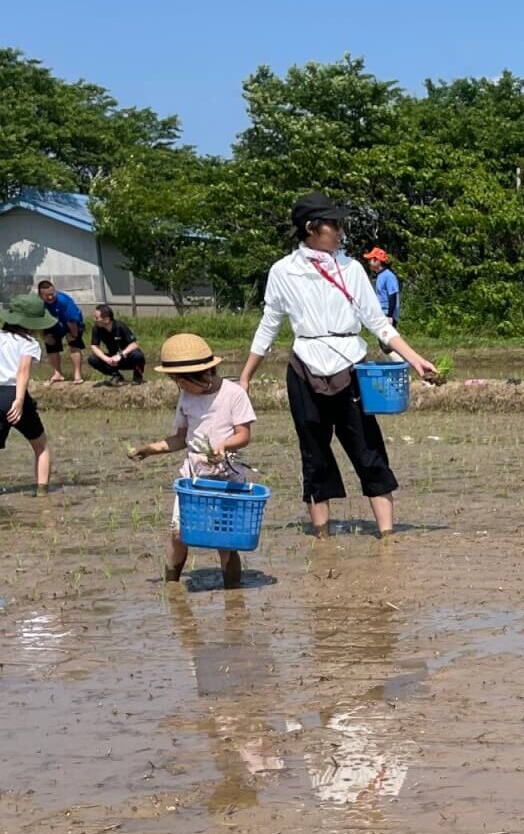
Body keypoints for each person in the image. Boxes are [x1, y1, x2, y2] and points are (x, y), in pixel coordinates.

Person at [237, 192, 437, 539]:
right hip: (304, 367)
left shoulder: (351, 268)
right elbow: (269, 325)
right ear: (312, 228)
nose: (341, 232)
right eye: (336, 225)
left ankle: (387, 535)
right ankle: (322, 537)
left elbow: (378, 322)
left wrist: (414, 358)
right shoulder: (284, 271)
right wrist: (245, 377)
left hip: (351, 365)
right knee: (314, 454)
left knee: (368, 449)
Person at [129, 333, 256, 589]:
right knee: (178, 535)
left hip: (226, 477)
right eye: (177, 382)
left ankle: (233, 594)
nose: (181, 387)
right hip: (193, 478)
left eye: (183, 382)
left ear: (205, 375)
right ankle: (172, 586)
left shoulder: (234, 394)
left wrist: (224, 445)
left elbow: (244, 435)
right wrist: (149, 449)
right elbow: (180, 439)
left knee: (225, 540)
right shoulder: (186, 397)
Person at [0, 294, 54, 495]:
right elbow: (22, 371)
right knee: (41, 446)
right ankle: (42, 493)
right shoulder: (29, 343)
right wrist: (20, 400)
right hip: (13, 394)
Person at [36, 280, 85, 386]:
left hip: (72, 323)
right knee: (50, 343)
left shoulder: (63, 301)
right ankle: (57, 373)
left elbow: (72, 321)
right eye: (46, 295)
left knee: (74, 343)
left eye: (52, 294)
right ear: (40, 295)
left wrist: (73, 335)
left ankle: (77, 375)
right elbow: (37, 322)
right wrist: (44, 337)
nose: (50, 297)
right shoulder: (37, 304)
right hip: (53, 323)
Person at [87, 305, 146, 386]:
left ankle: (137, 376)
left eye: (97, 318)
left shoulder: (120, 326)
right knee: (92, 359)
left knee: (138, 355)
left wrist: (121, 355)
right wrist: (107, 359)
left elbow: (134, 344)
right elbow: (94, 346)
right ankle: (116, 375)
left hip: (127, 358)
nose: (95, 320)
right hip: (112, 360)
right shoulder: (96, 328)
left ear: (106, 319)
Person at [363, 248, 400, 325]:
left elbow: (392, 296)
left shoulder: (388, 276)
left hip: (387, 314)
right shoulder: (380, 275)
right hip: (382, 314)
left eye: (370, 260)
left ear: (377, 261)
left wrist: (390, 316)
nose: (369, 262)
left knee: (387, 337)